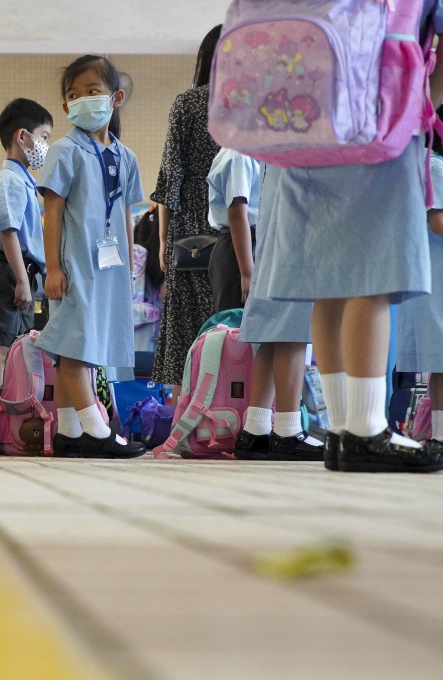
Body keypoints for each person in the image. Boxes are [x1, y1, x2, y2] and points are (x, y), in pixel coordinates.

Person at [255, 3, 443, 473]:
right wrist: (417, 110)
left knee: (331, 283)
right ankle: (366, 430)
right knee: (372, 275)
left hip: (307, 124)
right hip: (381, 125)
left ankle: (342, 428)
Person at [37, 54, 146, 459]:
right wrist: (52, 267)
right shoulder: (64, 151)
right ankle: (96, 428)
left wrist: (131, 265)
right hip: (75, 265)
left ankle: (68, 431)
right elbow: (53, 213)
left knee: (86, 340)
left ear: (115, 98)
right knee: (76, 345)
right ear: (65, 107)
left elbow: (126, 215)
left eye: (93, 91)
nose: (83, 99)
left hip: (111, 267)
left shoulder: (126, 157)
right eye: (73, 94)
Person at [231, 163, 323, 462]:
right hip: (296, 236)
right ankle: (287, 430)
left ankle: (255, 429)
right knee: (294, 333)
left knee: (272, 335)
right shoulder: (299, 136)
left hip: (275, 238)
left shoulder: (274, 139)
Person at [151, 25, 223, 402]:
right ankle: (238, 416)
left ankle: (183, 420)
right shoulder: (251, 106)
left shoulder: (187, 103)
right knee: (232, 326)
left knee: (184, 329)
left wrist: (164, 240)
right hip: (238, 229)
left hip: (190, 232)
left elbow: (169, 177)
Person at [0, 98, 52, 391]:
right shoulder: (9, 181)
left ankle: (11, 408)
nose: (46, 144)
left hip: (21, 271)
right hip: (8, 270)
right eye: (44, 137)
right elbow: (9, 233)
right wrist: (21, 280)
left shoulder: (24, 182)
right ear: (23, 136)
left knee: (18, 346)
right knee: (2, 349)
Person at [392, 105, 443, 460]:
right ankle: (438, 435)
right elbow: (437, 221)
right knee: (439, 363)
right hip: (434, 284)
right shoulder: (435, 167)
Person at [206, 147, 259, 313]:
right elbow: (236, 213)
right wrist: (247, 273)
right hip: (239, 250)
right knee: (236, 327)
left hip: (246, 244)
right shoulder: (238, 154)